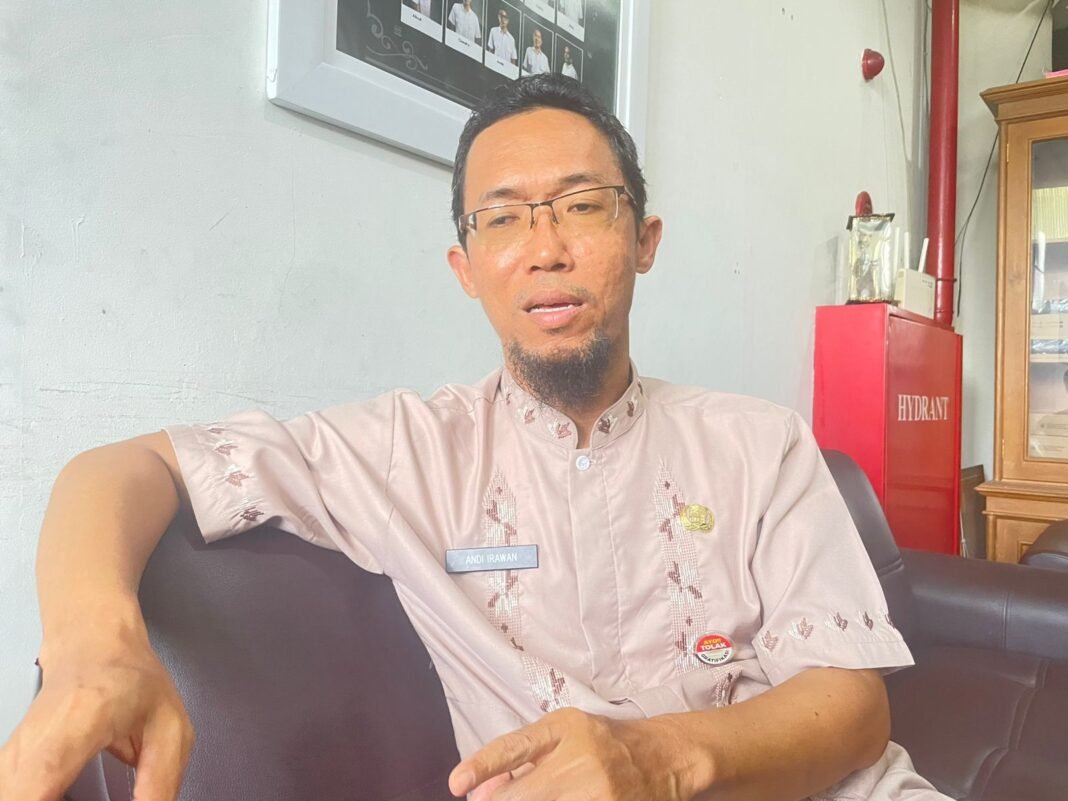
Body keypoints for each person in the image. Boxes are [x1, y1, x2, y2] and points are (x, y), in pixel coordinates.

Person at [0, 74, 951, 801]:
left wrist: (653, 757)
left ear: (645, 239)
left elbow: (852, 705)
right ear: (465, 266)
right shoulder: (405, 452)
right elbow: (127, 467)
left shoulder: (761, 442)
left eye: (583, 204)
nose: (545, 248)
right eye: (503, 218)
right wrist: (94, 641)